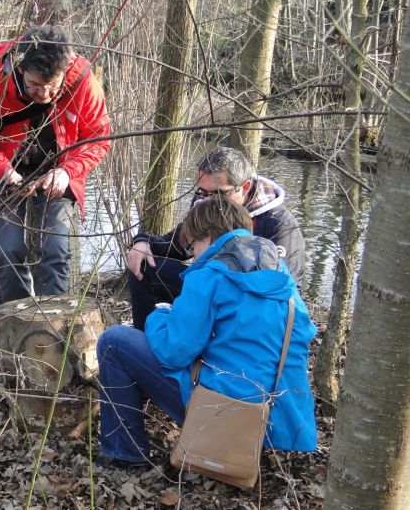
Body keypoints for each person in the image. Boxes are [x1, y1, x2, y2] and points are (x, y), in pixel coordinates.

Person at [97, 196, 317, 469]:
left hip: (225, 416)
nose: (193, 255)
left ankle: (125, 454)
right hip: (282, 418)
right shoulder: (280, 272)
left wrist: (160, 315)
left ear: (209, 236)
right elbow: (303, 333)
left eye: (193, 246)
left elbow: (173, 351)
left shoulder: (210, 275)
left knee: (114, 341)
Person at [0, 25, 111, 302]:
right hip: (5, 168)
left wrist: (67, 172)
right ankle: (17, 323)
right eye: (34, 85)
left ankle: (51, 328)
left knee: (55, 250)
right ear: (20, 68)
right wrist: (3, 170)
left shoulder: (82, 81)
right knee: (8, 250)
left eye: (52, 86)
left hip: (59, 169)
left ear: (64, 71)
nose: (43, 94)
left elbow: (99, 139)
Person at [126, 146, 305, 330]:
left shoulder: (279, 225)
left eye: (218, 194)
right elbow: (178, 245)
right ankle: (145, 340)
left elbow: (283, 292)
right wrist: (143, 242)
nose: (209, 201)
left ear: (244, 187)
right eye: (203, 192)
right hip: (208, 286)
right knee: (144, 265)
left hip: (247, 306)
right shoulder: (204, 202)